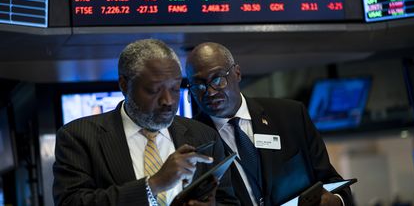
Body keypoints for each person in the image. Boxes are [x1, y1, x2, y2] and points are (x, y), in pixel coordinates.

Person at [53, 39, 239, 206]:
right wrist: (154, 184)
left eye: (175, 89)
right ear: (124, 85)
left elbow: (227, 200)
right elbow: (71, 202)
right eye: (153, 90)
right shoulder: (79, 137)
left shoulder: (203, 135)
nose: (168, 100)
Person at [185, 42, 354, 206]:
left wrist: (336, 201)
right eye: (198, 85)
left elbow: (332, 181)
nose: (210, 92)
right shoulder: (190, 142)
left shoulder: (291, 115)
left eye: (217, 79)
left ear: (237, 73)